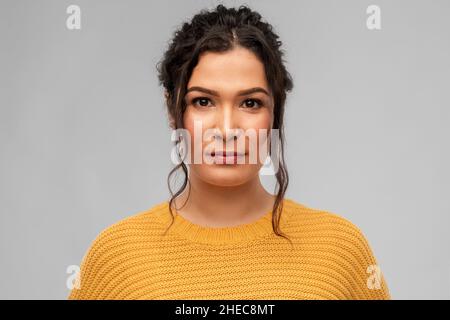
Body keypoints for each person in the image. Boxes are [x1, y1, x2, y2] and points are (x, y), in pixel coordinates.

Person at [68, 4, 390, 300]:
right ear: (173, 110)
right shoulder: (115, 259)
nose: (226, 129)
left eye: (250, 103)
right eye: (203, 101)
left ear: (275, 112)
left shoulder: (340, 252)